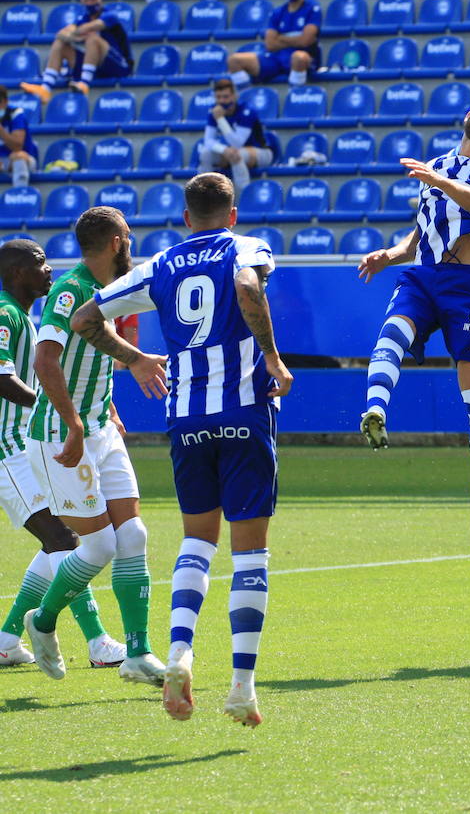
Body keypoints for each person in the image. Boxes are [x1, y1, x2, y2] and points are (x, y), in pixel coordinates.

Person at [70, 172, 290, 727]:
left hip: (187, 421)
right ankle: (241, 686)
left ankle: (178, 655)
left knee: (197, 540)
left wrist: (135, 360)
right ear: (232, 215)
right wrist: (270, 356)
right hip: (242, 413)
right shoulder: (247, 246)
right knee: (250, 551)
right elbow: (246, 286)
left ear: (186, 218)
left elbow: (84, 319)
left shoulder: (161, 264)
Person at [357, 93, 470, 556]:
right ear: (469, 113)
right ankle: (376, 411)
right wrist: (390, 254)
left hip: (468, 284)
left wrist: (440, 180)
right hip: (423, 275)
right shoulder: (439, 164)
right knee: (392, 332)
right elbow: (422, 231)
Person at [21, 207, 164, 685]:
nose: (132, 244)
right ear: (118, 242)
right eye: (129, 236)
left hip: (101, 429)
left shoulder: (108, 293)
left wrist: (107, 409)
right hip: (62, 435)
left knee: (134, 537)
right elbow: (45, 360)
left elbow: (93, 354)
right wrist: (74, 423)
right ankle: (40, 623)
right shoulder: (71, 291)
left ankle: (138, 654)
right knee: (99, 544)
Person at [0, 240, 123, 669]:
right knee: (63, 538)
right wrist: (54, 406)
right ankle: (98, 642)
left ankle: (7, 637)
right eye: (39, 263)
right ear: (16, 273)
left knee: (60, 538)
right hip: (7, 450)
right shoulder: (5, 313)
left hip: (22, 446)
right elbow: (1, 377)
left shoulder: (23, 315)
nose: (49, 269)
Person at [19, 0, 132, 103]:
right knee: (60, 43)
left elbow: (90, 27)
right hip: (96, 67)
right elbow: (61, 34)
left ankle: (84, 84)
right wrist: (76, 35)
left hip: (119, 66)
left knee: (92, 38)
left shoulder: (110, 15)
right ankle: (45, 89)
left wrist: (75, 33)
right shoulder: (82, 18)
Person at [225, 0, 320, 89]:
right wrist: (295, 39)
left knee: (298, 57)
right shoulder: (278, 12)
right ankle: (246, 97)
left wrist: (280, 38)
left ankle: (295, 96)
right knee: (234, 61)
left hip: (303, 59)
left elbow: (306, 41)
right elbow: (270, 44)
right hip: (276, 58)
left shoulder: (312, 9)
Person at [198, 78, 271, 191]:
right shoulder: (213, 111)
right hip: (231, 151)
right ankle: (203, 194)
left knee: (237, 154)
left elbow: (237, 143)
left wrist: (220, 119)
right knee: (206, 154)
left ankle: (243, 196)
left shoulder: (247, 111)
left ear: (234, 96)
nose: (222, 101)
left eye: (226, 97)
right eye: (218, 97)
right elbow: (208, 141)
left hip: (261, 152)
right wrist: (223, 150)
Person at [0, 86, 38, 188]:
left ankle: (20, 193)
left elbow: (17, 147)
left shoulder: (16, 115)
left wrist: (1, 131)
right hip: (2, 161)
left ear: (5, 102)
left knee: (18, 157)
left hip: (25, 159)